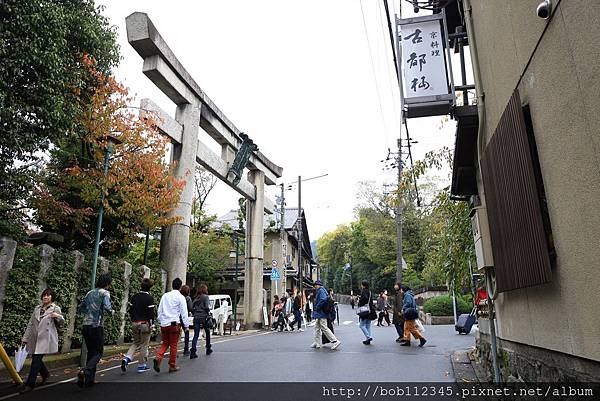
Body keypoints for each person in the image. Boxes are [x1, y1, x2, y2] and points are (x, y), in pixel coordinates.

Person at [19, 288, 64, 394]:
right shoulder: (37, 308)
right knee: (36, 359)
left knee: (35, 360)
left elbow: (61, 323)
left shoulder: (55, 308)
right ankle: (45, 374)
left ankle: (30, 384)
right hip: (35, 338)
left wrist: (58, 316)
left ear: (52, 297)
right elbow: (31, 324)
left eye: (48, 295)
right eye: (44, 295)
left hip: (46, 339)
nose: (45, 297)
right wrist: (25, 339)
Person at [77, 273, 114, 388]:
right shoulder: (105, 293)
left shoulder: (90, 292)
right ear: (107, 283)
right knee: (98, 352)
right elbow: (108, 308)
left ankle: (89, 380)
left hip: (86, 325)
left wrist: (89, 313)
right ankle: (85, 371)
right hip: (97, 326)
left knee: (91, 352)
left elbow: (81, 307)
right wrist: (112, 312)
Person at [153, 278, 188, 373]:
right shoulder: (181, 297)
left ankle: (158, 356)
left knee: (165, 343)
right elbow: (184, 313)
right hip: (174, 324)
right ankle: (172, 365)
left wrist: (161, 320)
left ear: (172, 285)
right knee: (173, 345)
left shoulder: (165, 296)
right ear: (180, 287)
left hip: (164, 324)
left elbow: (159, 310)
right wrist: (186, 326)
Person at [121, 278, 156, 373]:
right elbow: (151, 314)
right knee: (144, 344)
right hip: (145, 324)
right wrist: (152, 325)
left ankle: (127, 358)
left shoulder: (134, 297)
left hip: (135, 323)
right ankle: (141, 365)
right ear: (150, 287)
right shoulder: (150, 298)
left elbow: (131, 311)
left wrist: (134, 320)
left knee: (135, 342)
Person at [310, 280, 340, 350]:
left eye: (315, 285)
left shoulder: (321, 291)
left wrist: (317, 307)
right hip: (320, 313)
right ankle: (317, 342)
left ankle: (335, 341)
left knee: (324, 327)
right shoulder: (322, 290)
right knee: (317, 327)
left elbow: (323, 300)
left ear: (318, 285)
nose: (315, 287)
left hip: (321, 313)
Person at [190, 284, 212, 358]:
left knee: (196, 335)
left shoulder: (195, 298)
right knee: (207, 332)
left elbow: (192, 308)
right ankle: (208, 348)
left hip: (196, 317)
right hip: (204, 317)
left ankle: (193, 351)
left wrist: (195, 313)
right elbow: (207, 307)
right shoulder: (205, 297)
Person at [358, 281, 375, 345]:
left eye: (361, 285)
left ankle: (368, 337)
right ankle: (368, 339)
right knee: (368, 325)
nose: (361, 286)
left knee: (361, 325)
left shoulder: (364, 291)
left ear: (364, 285)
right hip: (370, 309)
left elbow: (364, 298)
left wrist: (360, 301)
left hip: (365, 310)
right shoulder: (369, 292)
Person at [180, 285, 193, 355]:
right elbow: (190, 308)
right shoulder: (188, 298)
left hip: (177, 317)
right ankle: (186, 349)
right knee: (186, 333)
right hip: (184, 317)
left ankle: (173, 350)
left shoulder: (178, 297)